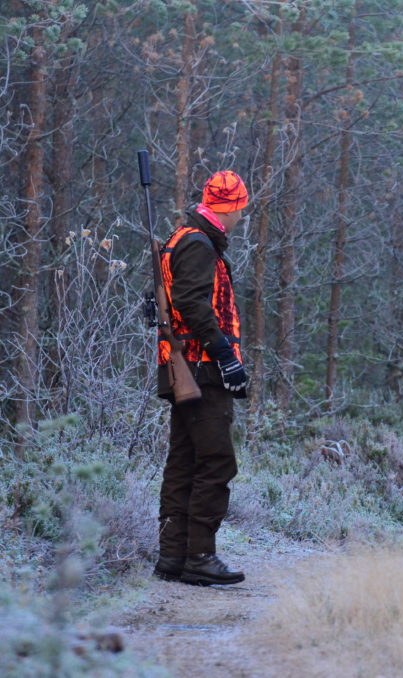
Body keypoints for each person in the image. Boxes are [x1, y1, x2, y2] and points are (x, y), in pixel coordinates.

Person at [153, 170, 250, 586]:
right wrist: (226, 357)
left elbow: (165, 298)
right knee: (215, 461)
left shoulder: (182, 238)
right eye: (239, 209)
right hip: (200, 367)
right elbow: (193, 304)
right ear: (227, 208)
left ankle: (174, 557)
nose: (240, 218)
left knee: (185, 461)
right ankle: (200, 558)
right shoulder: (197, 243)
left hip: (185, 365)